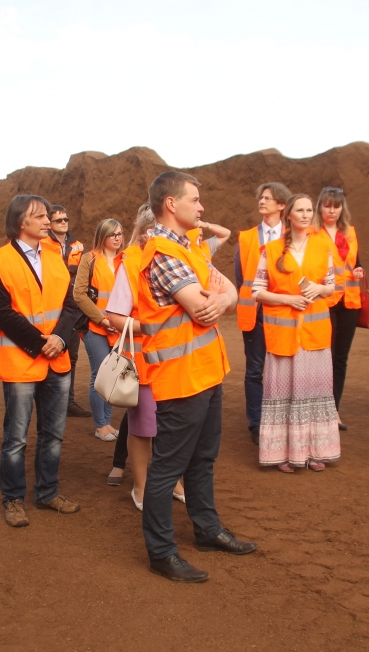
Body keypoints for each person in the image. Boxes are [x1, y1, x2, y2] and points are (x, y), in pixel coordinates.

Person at [138, 171, 255, 583]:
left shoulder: (187, 247)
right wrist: (222, 299)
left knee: (203, 458)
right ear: (171, 204)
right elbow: (200, 308)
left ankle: (207, 531)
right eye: (194, 200)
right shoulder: (163, 253)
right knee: (168, 467)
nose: (201, 207)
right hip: (180, 377)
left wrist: (223, 298)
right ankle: (161, 552)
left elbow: (229, 292)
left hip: (205, 371)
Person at [0, 194, 81, 528]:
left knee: (53, 434)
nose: (47, 221)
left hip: (56, 358)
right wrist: (41, 344)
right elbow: (1, 312)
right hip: (22, 361)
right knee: (16, 438)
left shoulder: (54, 255)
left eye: (47, 216)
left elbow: (70, 304)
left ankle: (47, 492)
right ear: (20, 221)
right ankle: (13, 498)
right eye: (39, 216)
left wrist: (60, 339)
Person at [253, 193, 343, 472]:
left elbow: (332, 285)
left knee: (314, 393)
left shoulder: (322, 247)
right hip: (284, 336)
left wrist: (320, 288)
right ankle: (282, 454)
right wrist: (288, 300)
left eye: (309, 210)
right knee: (284, 395)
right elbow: (257, 291)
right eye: (300, 210)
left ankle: (315, 452)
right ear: (288, 215)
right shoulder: (271, 250)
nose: (306, 215)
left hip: (315, 335)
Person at [106, 205, 186, 508]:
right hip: (143, 364)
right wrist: (156, 325)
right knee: (142, 429)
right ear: (149, 232)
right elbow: (115, 317)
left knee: (173, 427)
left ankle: (174, 481)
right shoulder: (130, 264)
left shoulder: (180, 258)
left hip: (177, 360)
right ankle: (140, 487)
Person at [234, 182, 290, 444]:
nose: (262, 201)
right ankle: (256, 424)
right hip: (254, 312)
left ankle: (280, 420)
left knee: (283, 368)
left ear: (281, 204)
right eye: (261, 197)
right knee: (255, 370)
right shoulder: (246, 237)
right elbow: (240, 276)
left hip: (284, 313)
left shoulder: (293, 236)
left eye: (268, 198)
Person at [314, 187, 364, 431]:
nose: (331, 211)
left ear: (342, 208)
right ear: (320, 207)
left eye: (336, 206)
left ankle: (334, 411)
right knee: (324, 357)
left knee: (340, 359)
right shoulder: (313, 233)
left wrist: (359, 270)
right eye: (327, 206)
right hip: (325, 302)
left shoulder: (350, 233)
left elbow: (356, 262)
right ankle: (319, 409)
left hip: (349, 301)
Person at [73, 219, 124, 441]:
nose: (117, 238)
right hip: (96, 327)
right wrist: (102, 320)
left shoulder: (125, 260)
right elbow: (79, 294)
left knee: (113, 374)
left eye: (120, 234)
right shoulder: (90, 259)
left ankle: (108, 422)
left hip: (119, 328)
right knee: (100, 374)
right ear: (102, 236)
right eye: (113, 234)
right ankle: (100, 425)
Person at [42, 205, 90, 418]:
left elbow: (85, 275)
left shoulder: (78, 247)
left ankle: (67, 402)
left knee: (71, 356)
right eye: (59, 220)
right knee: (48, 354)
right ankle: (48, 400)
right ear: (50, 223)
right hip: (50, 308)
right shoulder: (42, 245)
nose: (63, 223)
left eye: (66, 219)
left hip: (72, 309)